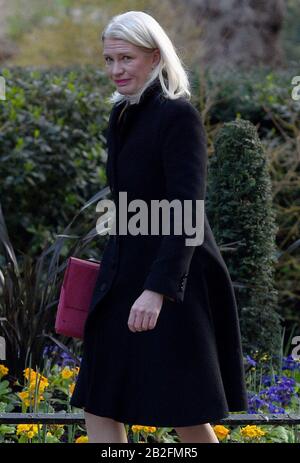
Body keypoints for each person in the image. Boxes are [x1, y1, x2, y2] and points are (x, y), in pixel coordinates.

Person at [70, 10, 248, 443]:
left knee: (183, 406)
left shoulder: (177, 116)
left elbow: (187, 208)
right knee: (98, 396)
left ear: (154, 56)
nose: (116, 70)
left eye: (126, 58)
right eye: (109, 60)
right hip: (124, 273)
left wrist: (158, 289)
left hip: (174, 276)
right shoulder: (122, 116)